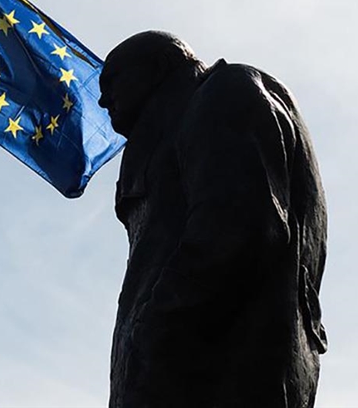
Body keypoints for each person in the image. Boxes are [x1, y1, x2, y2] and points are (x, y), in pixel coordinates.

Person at [97, 31, 328, 408]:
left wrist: (155, 329)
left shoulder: (225, 93)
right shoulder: (185, 118)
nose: (104, 100)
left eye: (113, 81)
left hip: (211, 374)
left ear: (158, 67)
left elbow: (236, 230)